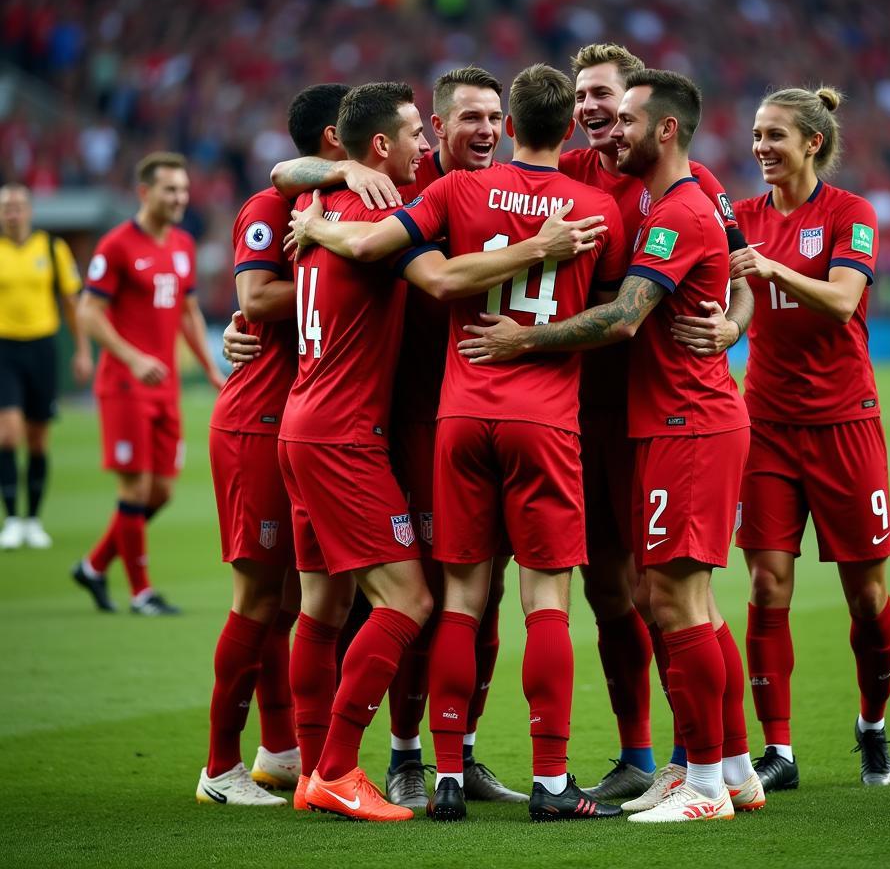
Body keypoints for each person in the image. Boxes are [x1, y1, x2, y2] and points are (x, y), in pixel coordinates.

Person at [287, 64, 627, 823]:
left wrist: (315, 221)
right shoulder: (595, 205)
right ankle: (548, 782)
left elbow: (386, 251)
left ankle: (440, 775)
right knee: (542, 601)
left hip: (453, 416)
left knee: (457, 602)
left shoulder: (448, 195)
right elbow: (610, 305)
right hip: (538, 420)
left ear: (508, 127)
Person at [457, 69, 765, 824]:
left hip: (686, 424)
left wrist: (525, 339)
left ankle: (699, 787)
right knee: (684, 600)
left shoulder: (681, 210)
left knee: (675, 600)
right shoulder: (662, 200)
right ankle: (728, 768)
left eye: (624, 115)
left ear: (664, 128)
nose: (609, 128)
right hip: (666, 422)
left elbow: (627, 318)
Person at [270, 67, 525, 807]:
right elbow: (443, 281)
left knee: (327, 604)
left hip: (310, 421)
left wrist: (330, 190)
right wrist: (541, 246)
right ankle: (342, 772)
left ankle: (317, 768)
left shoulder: (324, 203)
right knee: (410, 601)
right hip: (348, 435)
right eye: (421, 131)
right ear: (389, 144)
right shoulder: (383, 213)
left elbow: (293, 178)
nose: (428, 142)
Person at [559, 43, 753, 802]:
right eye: (581, 97)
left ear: (644, 113)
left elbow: (738, 276)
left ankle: (697, 759)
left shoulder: (689, 187)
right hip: (586, 417)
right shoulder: (564, 173)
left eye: (604, 96)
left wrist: (734, 329)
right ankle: (643, 756)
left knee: (669, 593)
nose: (591, 109)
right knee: (614, 592)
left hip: (668, 408)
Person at [726, 87, 890, 789]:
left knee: (867, 594)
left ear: (812, 144)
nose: (761, 147)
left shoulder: (851, 213)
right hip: (764, 423)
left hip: (844, 423)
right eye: (757, 135)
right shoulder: (740, 217)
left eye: (775, 136)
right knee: (768, 584)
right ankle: (780, 752)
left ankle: (873, 724)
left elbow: (842, 300)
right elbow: (725, 295)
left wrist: (772, 269)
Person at [198, 84, 364, 808]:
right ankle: (218, 770)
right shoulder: (272, 210)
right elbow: (257, 298)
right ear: (335, 137)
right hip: (258, 421)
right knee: (259, 597)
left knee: (292, 600)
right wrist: (339, 267)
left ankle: (279, 753)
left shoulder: (336, 202)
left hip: (302, 418)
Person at [72, 153, 225, 615]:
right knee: (135, 490)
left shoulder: (182, 244)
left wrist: (211, 367)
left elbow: (189, 314)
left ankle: (94, 566)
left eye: (182, 190)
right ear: (145, 193)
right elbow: (88, 312)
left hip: (166, 386)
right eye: (169, 190)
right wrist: (134, 358)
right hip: (124, 384)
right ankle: (142, 593)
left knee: (161, 492)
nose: (179, 198)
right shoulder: (116, 245)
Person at [0, 184, 92, 550]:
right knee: (8, 434)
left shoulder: (52, 250)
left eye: (18, 206)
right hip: (4, 349)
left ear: (29, 211)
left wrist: (82, 350)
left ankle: (33, 519)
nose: (13, 212)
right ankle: (11, 519)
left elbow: (72, 303)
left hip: (41, 348)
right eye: (7, 206)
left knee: (38, 438)